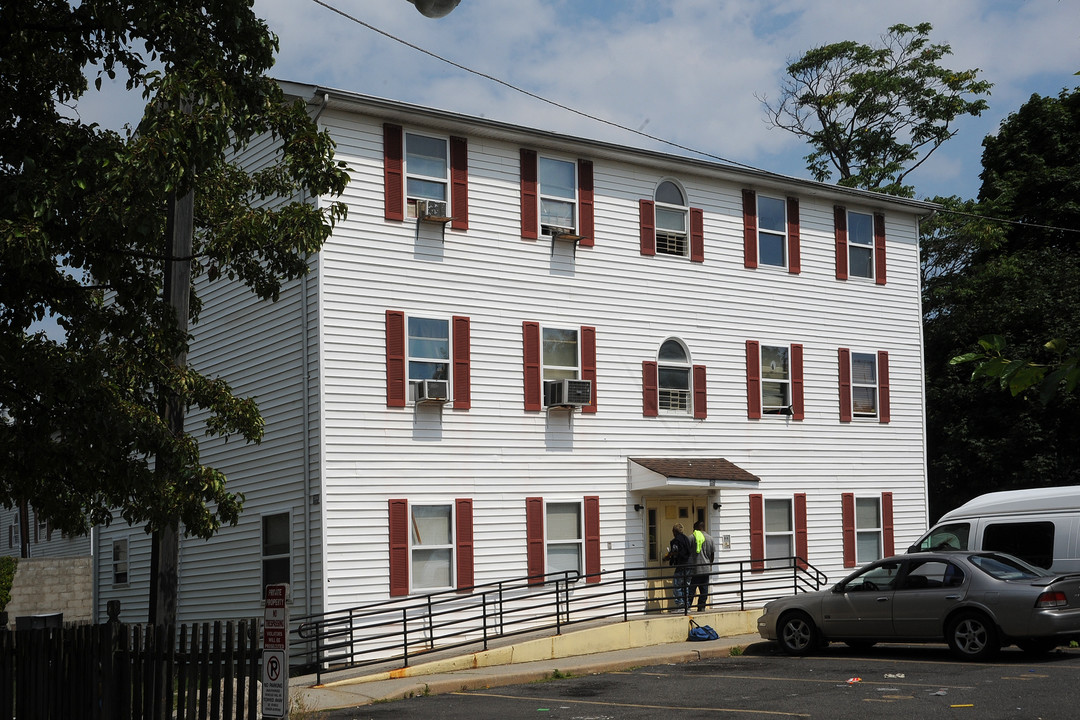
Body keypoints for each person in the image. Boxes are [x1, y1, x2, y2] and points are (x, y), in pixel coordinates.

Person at [688, 520, 716, 612]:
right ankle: (701, 607)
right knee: (704, 590)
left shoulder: (692, 538)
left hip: (695, 569)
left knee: (692, 589)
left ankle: (687, 607)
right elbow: (712, 555)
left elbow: (687, 552)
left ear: (696, 528)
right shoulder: (710, 538)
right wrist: (710, 565)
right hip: (706, 568)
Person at [664, 523, 693, 609]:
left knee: (678, 584)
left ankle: (680, 604)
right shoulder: (686, 539)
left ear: (674, 531)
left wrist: (668, 556)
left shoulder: (676, 541)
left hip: (682, 565)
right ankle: (686, 605)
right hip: (690, 564)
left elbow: (675, 552)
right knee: (686, 586)